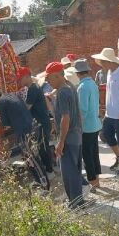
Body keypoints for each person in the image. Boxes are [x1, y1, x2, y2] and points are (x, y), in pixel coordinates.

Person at [0, 82, 49, 189]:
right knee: (30, 158)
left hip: (25, 132)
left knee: (32, 158)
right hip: (32, 127)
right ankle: (39, 182)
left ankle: (45, 185)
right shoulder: (10, 96)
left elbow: (6, 124)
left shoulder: (0, 103)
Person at [45, 62, 85, 209]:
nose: (48, 82)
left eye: (49, 79)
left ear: (57, 76)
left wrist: (61, 142)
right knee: (75, 170)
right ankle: (78, 200)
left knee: (69, 173)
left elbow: (65, 118)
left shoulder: (62, 92)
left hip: (68, 138)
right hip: (76, 136)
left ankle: (75, 203)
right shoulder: (70, 87)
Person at [91, 48, 119, 174]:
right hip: (110, 113)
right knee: (106, 135)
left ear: (109, 61)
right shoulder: (109, 72)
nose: (101, 64)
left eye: (103, 61)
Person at [17, 67, 54, 174]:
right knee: (42, 146)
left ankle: (49, 171)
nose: (20, 81)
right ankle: (48, 169)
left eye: (21, 78)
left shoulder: (33, 89)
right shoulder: (34, 87)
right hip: (42, 122)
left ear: (27, 77)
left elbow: (26, 107)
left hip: (41, 123)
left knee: (43, 147)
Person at [74, 59, 102, 189]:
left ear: (78, 73)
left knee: (87, 155)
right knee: (94, 152)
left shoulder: (82, 87)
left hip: (87, 126)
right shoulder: (92, 84)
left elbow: (82, 110)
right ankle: (96, 179)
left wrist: (78, 126)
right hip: (95, 124)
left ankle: (92, 181)